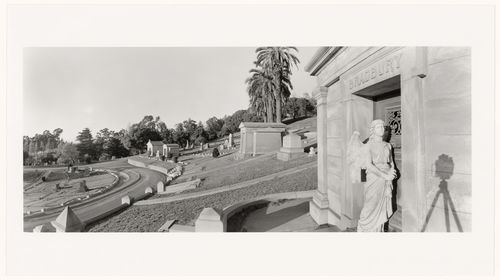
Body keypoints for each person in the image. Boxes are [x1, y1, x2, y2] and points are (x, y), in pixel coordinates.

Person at [348, 119, 397, 232]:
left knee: (382, 207)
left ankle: (378, 231)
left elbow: (391, 163)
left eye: (383, 127)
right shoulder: (368, 146)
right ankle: (364, 229)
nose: (382, 129)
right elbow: (369, 165)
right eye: (378, 127)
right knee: (370, 206)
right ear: (373, 130)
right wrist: (386, 176)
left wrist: (391, 175)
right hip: (374, 179)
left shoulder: (388, 145)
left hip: (386, 180)